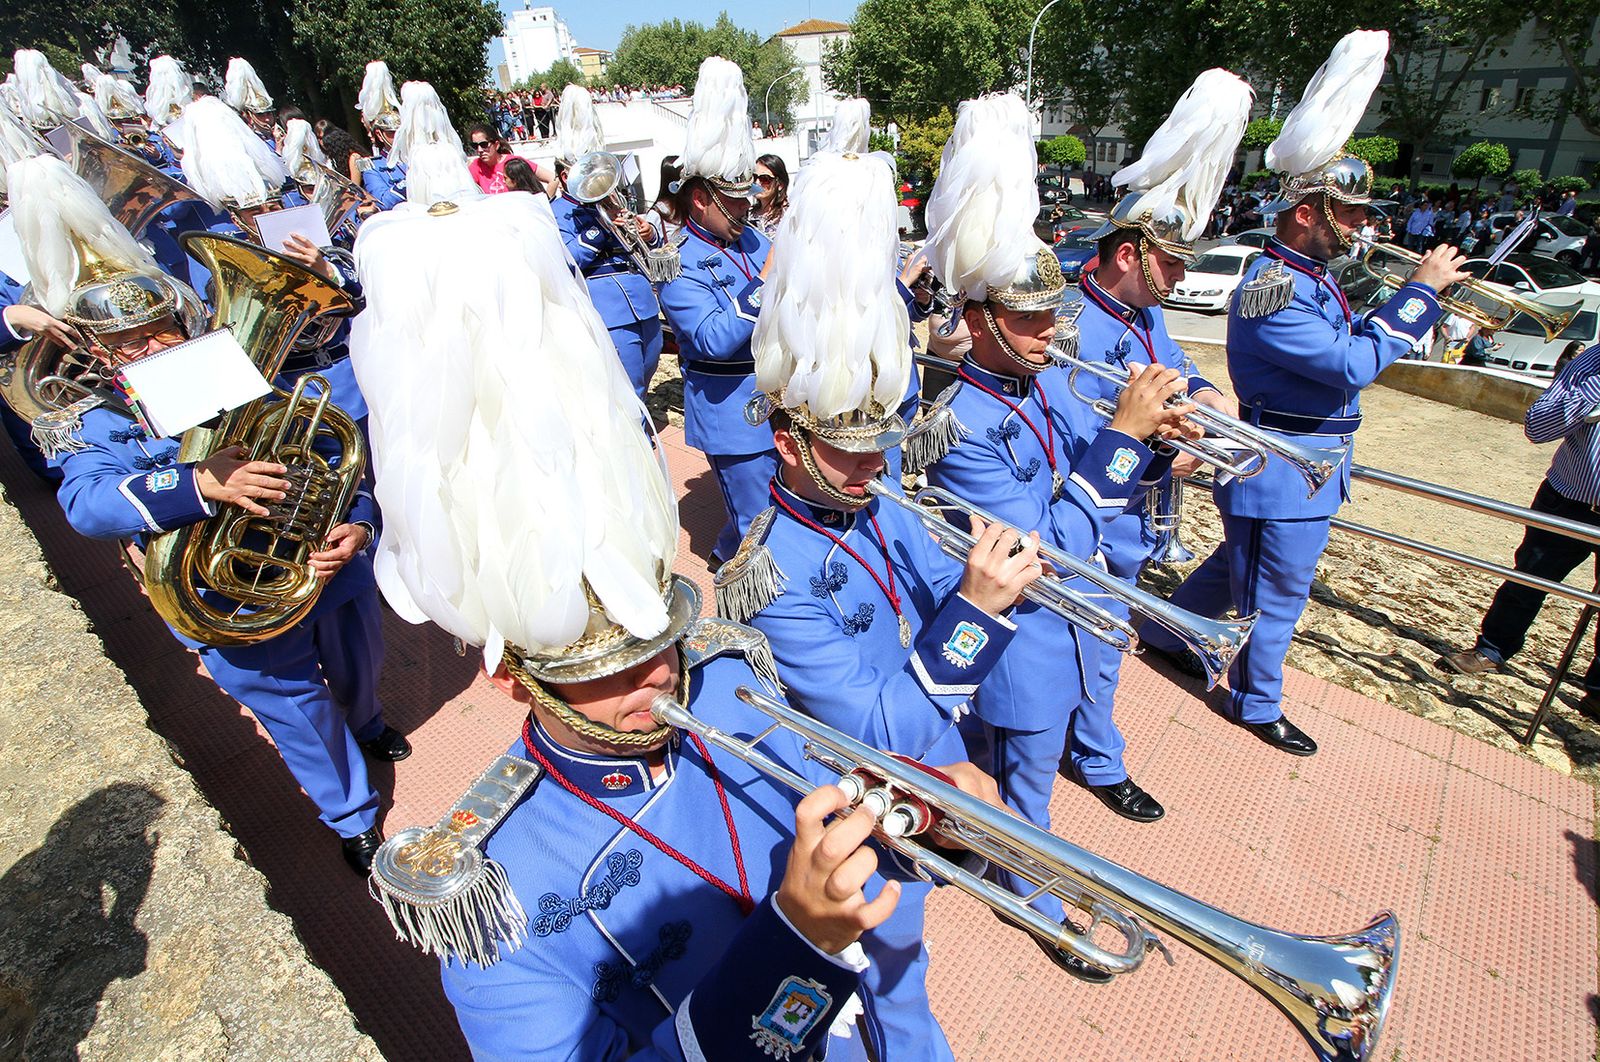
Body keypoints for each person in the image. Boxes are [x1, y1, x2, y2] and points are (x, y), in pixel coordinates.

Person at [353, 184, 996, 1059]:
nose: (657, 678)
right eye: (604, 672)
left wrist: (921, 823)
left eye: (660, 646)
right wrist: (792, 945)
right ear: (511, 679)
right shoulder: (490, 890)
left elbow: (836, 814)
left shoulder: (723, 679)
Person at [719, 151, 1045, 1044]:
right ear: (787, 443)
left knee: (909, 962)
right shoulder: (768, 574)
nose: (875, 466)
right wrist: (974, 614)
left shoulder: (875, 496)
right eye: (850, 450)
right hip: (865, 800)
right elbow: (871, 728)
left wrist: (1000, 575)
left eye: (880, 447)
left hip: (938, 754)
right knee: (887, 979)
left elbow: (937, 586)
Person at [12, 155, 402, 875]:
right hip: (226, 594)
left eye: (160, 329)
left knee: (361, 660)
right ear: (98, 348)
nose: (151, 347)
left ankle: (370, 721)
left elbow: (332, 451)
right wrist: (198, 482)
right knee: (295, 709)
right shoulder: (92, 417)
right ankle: (351, 814)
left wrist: (360, 525)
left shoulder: (235, 373)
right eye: (129, 341)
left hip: (325, 563)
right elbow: (87, 504)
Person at [1137, 31, 1471, 756]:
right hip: (1282, 465)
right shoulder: (1273, 289)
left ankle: (1164, 633)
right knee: (1276, 596)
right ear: (1307, 213)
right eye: (1350, 214)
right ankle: (1255, 703)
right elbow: (1352, 364)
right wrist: (1419, 295)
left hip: (1304, 462)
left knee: (1241, 569)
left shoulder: (1312, 280)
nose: (1363, 227)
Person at [918, 94, 1192, 931]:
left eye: (1051, 316)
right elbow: (1046, 543)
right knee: (1023, 786)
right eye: (1029, 319)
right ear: (978, 321)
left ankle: (1005, 859)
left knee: (1024, 776)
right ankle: (1028, 897)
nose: (1048, 334)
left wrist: (1154, 439)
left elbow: (1093, 472)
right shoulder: (959, 424)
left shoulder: (1041, 384)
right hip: (1024, 634)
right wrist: (1124, 436)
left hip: (1070, 626)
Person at [1066, 68, 1253, 820]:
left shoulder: (1144, 313)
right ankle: (1096, 757)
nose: (1178, 277)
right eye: (1170, 262)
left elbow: (1172, 364)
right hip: (1091, 507)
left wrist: (1204, 393)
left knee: (1099, 640)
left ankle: (1080, 744)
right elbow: (1076, 428)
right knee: (1098, 638)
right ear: (1127, 254)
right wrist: (1162, 442)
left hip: (1136, 509)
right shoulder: (1073, 323)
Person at [1439, 344, 1600, 713]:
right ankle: (1493, 649)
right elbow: (1537, 427)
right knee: (1527, 580)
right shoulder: (1590, 365)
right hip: (1568, 500)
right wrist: (1592, 391)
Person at [658, 57, 774, 563]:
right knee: (756, 526)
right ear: (702, 198)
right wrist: (767, 283)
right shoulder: (677, 262)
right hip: (732, 411)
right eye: (736, 201)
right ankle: (738, 587)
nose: (748, 209)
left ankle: (737, 562)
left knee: (779, 513)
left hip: (778, 397)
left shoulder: (752, 239)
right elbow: (711, 339)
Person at [549, 84, 665, 404]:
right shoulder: (556, 213)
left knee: (647, 368)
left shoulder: (610, 203)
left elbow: (645, 251)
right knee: (629, 388)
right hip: (606, 307)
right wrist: (601, 229)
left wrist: (646, 233)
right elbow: (567, 260)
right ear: (564, 176)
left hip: (642, 301)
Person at [356, 61, 406, 210]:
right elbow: (383, 201)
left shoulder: (416, 156)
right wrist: (410, 181)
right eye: (391, 133)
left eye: (399, 131)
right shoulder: (371, 166)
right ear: (379, 134)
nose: (397, 136)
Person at [222, 57, 277, 145]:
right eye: (260, 114)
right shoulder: (245, 142)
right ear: (248, 116)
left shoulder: (281, 137)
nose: (267, 119)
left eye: (269, 113)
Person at [749, 153, 789, 238]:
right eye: (754, 177)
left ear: (780, 184)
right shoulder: (747, 214)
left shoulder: (789, 215)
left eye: (765, 179)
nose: (757, 183)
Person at [466, 123, 512, 193]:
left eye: (484, 144)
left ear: (496, 145)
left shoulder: (514, 163)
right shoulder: (476, 166)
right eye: (475, 146)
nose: (479, 150)